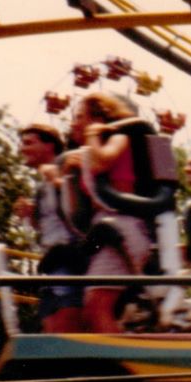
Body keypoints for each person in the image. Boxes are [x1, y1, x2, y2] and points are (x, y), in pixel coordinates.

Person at [63, 92, 155, 333]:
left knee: (97, 306)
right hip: (102, 231)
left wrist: (92, 136)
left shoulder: (119, 137)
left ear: (98, 117)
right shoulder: (85, 154)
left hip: (122, 228)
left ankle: (119, 365)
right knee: (92, 308)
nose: (74, 123)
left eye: (80, 117)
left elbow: (103, 161)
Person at [12, 123, 84, 332]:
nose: (22, 149)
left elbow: (81, 214)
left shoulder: (66, 171)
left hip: (69, 259)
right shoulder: (43, 184)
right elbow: (50, 225)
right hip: (52, 261)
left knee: (66, 327)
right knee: (50, 327)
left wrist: (56, 180)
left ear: (49, 145)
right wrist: (32, 215)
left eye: (29, 143)